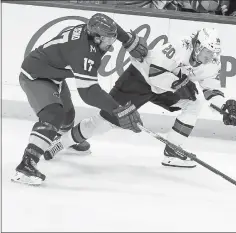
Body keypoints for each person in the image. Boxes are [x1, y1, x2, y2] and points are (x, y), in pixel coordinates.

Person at [45, 27, 236, 171]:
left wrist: (224, 106)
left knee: (194, 104)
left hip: (168, 85)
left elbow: (210, 89)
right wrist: (178, 82)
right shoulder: (180, 45)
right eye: (207, 51)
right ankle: (61, 142)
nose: (210, 57)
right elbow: (154, 72)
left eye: (213, 53)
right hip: (139, 79)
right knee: (103, 123)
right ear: (197, 46)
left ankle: (172, 152)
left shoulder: (212, 63)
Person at [11, 13, 148, 185]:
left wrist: (127, 40)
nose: (111, 45)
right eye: (108, 40)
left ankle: (58, 140)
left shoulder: (91, 30)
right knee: (54, 115)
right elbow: (88, 92)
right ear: (96, 38)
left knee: (68, 115)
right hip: (35, 76)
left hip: (53, 73)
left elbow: (110, 23)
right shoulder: (84, 53)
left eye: (112, 40)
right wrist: (117, 109)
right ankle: (26, 165)